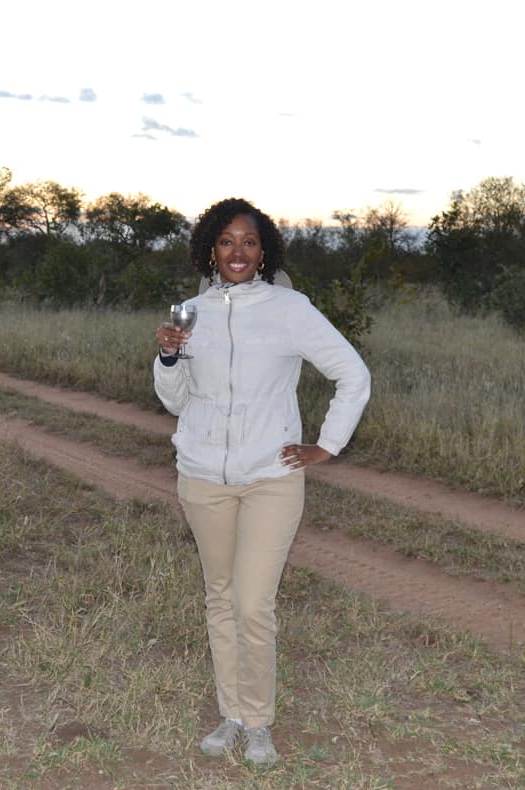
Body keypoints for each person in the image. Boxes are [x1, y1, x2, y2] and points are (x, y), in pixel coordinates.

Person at [153, 197, 371, 766]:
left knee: (253, 602)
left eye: (249, 242)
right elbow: (174, 401)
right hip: (202, 476)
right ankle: (231, 715)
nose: (238, 252)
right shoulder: (189, 311)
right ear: (210, 249)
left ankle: (260, 723)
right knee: (220, 597)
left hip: (271, 476)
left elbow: (353, 373)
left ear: (265, 250)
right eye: (226, 241)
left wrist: (326, 444)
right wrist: (169, 358)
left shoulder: (289, 308)